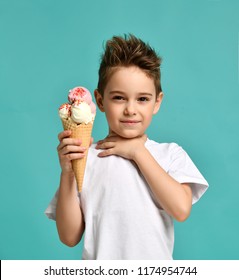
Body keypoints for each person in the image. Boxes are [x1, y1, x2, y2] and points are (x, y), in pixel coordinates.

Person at [45, 34, 208, 260]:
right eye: (119, 98)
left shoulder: (169, 154)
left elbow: (181, 209)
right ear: (100, 101)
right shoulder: (87, 157)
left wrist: (138, 152)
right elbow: (69, 236)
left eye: (142, 99)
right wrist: (68, 173)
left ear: (157, 102)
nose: (131, 109)